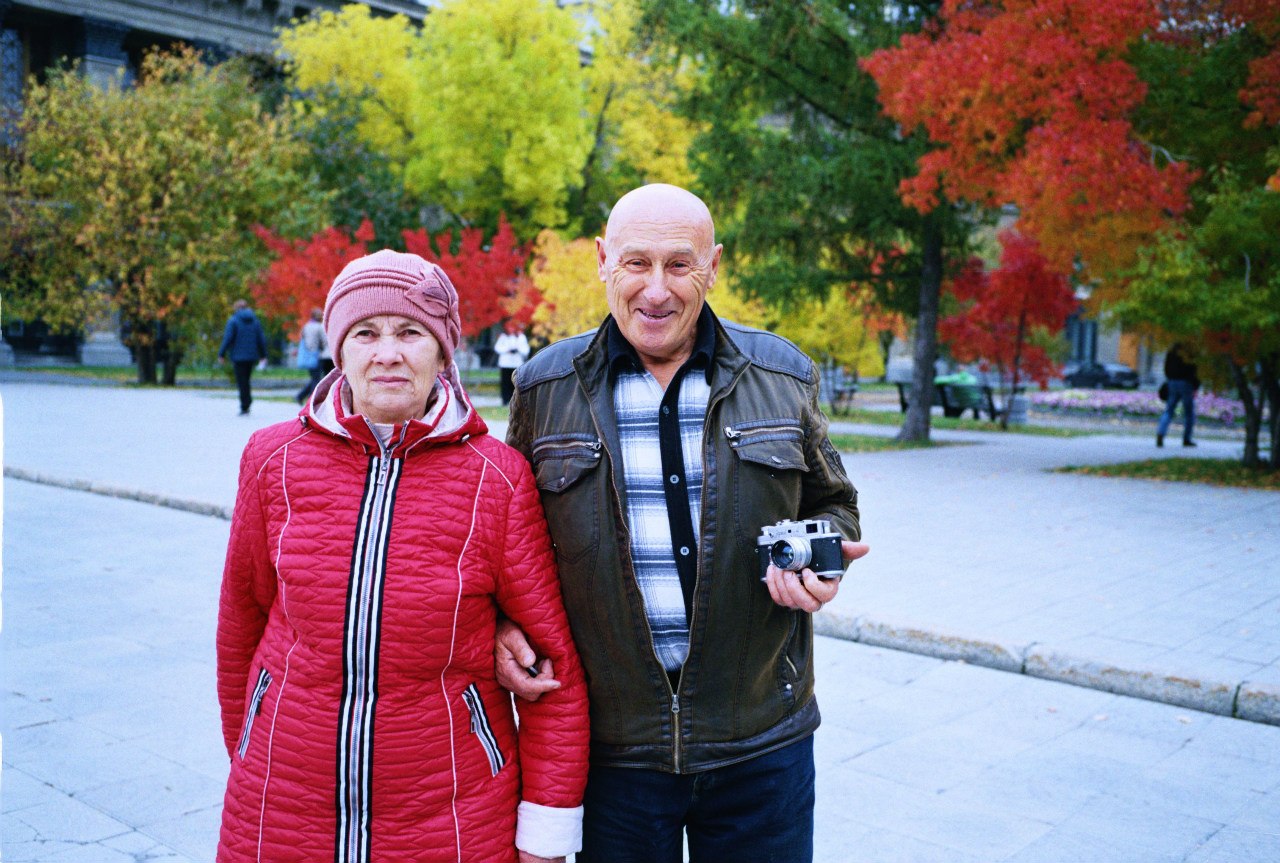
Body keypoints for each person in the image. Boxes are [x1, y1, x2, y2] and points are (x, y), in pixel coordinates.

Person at [497, 184, 869, 863]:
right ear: (603, 261)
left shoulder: (781, 374)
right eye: (636, 263)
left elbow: (835, 503)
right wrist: (500, 626)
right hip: (613, 752)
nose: (656, 289)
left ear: (713, 266)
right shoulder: (544, 389)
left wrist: (822, 557)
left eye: (679, 264)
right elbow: (502, 542)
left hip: (762, 741)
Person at [216, 250, 589, 863]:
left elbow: (553, 671)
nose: (387, 353)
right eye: (365, 333)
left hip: (455, 819)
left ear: (444, 354)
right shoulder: (271, 460)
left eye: (411, 332)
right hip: (280, 809)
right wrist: (253, 751)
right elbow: (241, 625)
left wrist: (544, 836)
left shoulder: (497, 479)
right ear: (339, 351)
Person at [217, 299, 268, 415]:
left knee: (242, 381)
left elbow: (228, 338)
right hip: (251, 356)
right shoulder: (255, 321)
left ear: (236, 308)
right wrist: (263, 355)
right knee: (246, 379)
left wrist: (221, 353)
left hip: (238, 356)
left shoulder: (233, 320)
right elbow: (261, 339)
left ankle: (245, 405)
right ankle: (247, 402)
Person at [1157, 342, 1199, 448]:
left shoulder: (1172, 350)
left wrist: (1170, 378)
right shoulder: (1191, 350)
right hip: (1186, 383)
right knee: (1189, 413)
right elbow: (1195, 369)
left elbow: (1166, 368)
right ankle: (1186, 438)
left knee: (1169, 410)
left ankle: (1161, 432)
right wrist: (1195, 385)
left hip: (1173, 382)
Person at [494, 320, 531, 406]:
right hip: (505, 364)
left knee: (515, 383)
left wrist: (517, 350)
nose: (511, 329)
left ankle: (515, 401)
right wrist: (507, 349)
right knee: (505, 383)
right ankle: (505, 400)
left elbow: (526, 350)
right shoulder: (503, 337)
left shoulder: (521, 337)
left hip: (516, 364)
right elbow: (497, 348)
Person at [295, 307, 327, 405]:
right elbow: (324, 341)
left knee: (314, 378)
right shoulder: (319, 327)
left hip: (308, 355)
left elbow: (303, 339)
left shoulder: (306, 326)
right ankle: (311, 400)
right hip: (317, 355)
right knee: (316, 379)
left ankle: (300, 396)